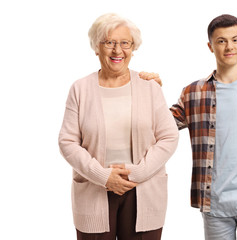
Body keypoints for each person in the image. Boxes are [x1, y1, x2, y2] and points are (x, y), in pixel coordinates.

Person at [156, 14, 237, 239]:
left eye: (235, 40)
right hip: (213, 203)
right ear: (210, 46)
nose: (229, 46)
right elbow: (162, 125)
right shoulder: (193, 92)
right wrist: (152, 90)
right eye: (221, 41)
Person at [58, 13, 178, 240]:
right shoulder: (80, 89)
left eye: (125, 43)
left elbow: (169, 136)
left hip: (145, 189)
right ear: (96, 47)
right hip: (94, 189)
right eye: (109, 42)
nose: (117, 50)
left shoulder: (149, 87)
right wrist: (103, 176)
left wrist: (138, 172)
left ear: (133, 47)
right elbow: (67, 142)